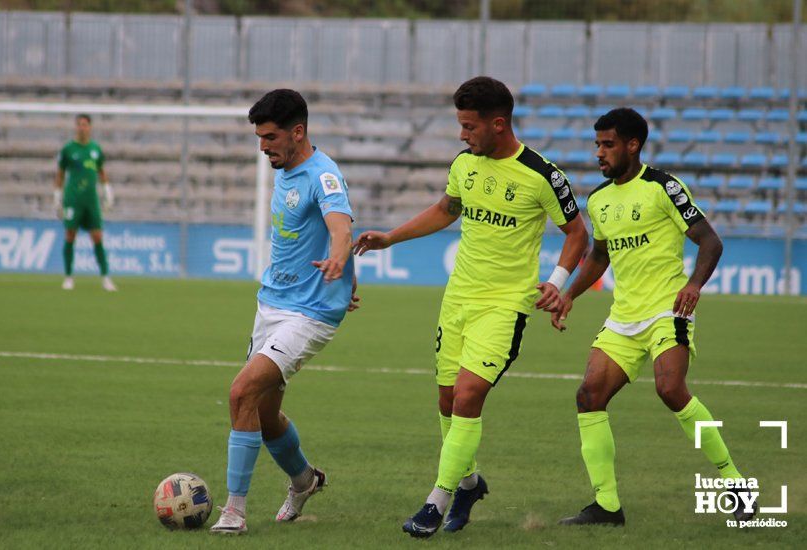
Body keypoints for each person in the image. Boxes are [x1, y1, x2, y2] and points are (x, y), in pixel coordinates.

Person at [354, 76, 588, 538]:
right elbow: (445, 210)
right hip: (457, 299)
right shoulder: (465, 164)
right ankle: (469, 484)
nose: (462, 136)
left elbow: (577, 233)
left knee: (466, 397)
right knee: (447, 400)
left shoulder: (543, 175)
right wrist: (390, 237)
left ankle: (434, 502)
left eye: (469, 127)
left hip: (505, 307)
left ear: (498, 124)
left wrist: (558, 283)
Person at [554, 108, 753, 526]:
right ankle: (607, 506)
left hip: (668, 309)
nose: (600, 153)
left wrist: (694, 285)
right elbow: (599, 256)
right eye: (597, 145)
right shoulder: (600, 199)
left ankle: (736, 484)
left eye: (608, 145)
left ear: (632, 145)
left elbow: (710, 242)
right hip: (624, 317)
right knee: (588, 397)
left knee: (670, 388)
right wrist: (569, 294)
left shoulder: (663, 187)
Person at [210, 89, 359, 535]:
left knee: (240, 392)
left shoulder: (324, 175)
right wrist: (346, 272)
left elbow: (340, 227)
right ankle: (304, 480)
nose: (263, 146)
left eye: (270, 137)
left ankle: (233, 510)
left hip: (310, 313)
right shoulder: (284, 167)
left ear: (298, 132)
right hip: (271, 304)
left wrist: (338, 261)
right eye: (259, 137)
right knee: (265, 413)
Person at [54, 114, 116, 291]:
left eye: (85, 125)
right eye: (79, 125)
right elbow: (59, 174)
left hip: (91, 200)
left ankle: (105, 277)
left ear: (90, 127)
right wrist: (57, 196)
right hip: (73, 199)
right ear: (76, 127)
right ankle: (68, 277)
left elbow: (102, 172)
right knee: (70, 235)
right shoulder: (68, 149)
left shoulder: (95, 149)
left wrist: (107, 192)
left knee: (97, 237)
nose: (82, 128)